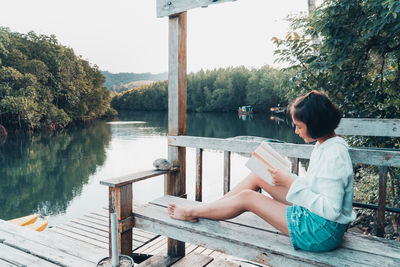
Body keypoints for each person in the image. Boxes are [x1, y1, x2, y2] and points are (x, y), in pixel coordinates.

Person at [168, 90, 356, 252]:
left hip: (321, 232)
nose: (296, 132)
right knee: (260, 175)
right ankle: (208, 209)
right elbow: (317, 188)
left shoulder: (334, 155)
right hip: (317, 220)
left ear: (315, 124)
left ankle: (192, 212)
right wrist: (285, 176)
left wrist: (290, 182)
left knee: (247, 198)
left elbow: (331, 210)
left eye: (299, 127)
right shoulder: (325, 145)